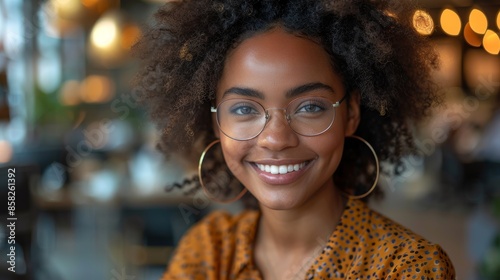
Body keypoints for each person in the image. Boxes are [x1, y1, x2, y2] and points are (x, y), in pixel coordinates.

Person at [133, 0, 456, 279]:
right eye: (245, 108)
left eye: (309, 107)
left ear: (351, 114)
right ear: (216, 122)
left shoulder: (406, 267)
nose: (276, 139)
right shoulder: (207, 252)